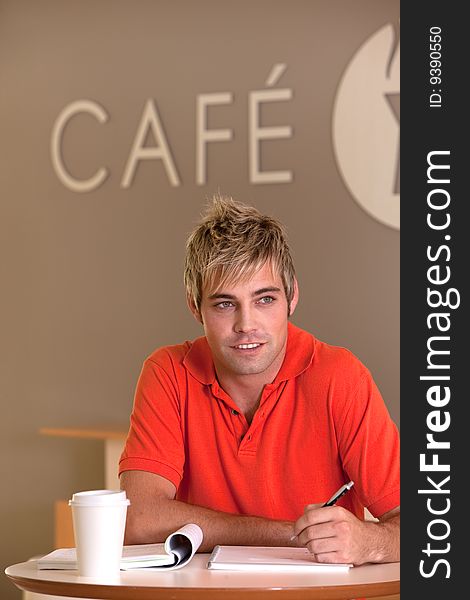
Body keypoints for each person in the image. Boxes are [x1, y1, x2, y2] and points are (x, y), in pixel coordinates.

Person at [119, 195, 400, 565]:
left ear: (292, 296)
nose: (246, 325)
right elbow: (138, 519)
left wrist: (367, 541)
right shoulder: (168, 372)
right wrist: (292, 534)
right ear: (194, 305)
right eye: (224, 304)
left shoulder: (340, 376)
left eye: (265, 299)